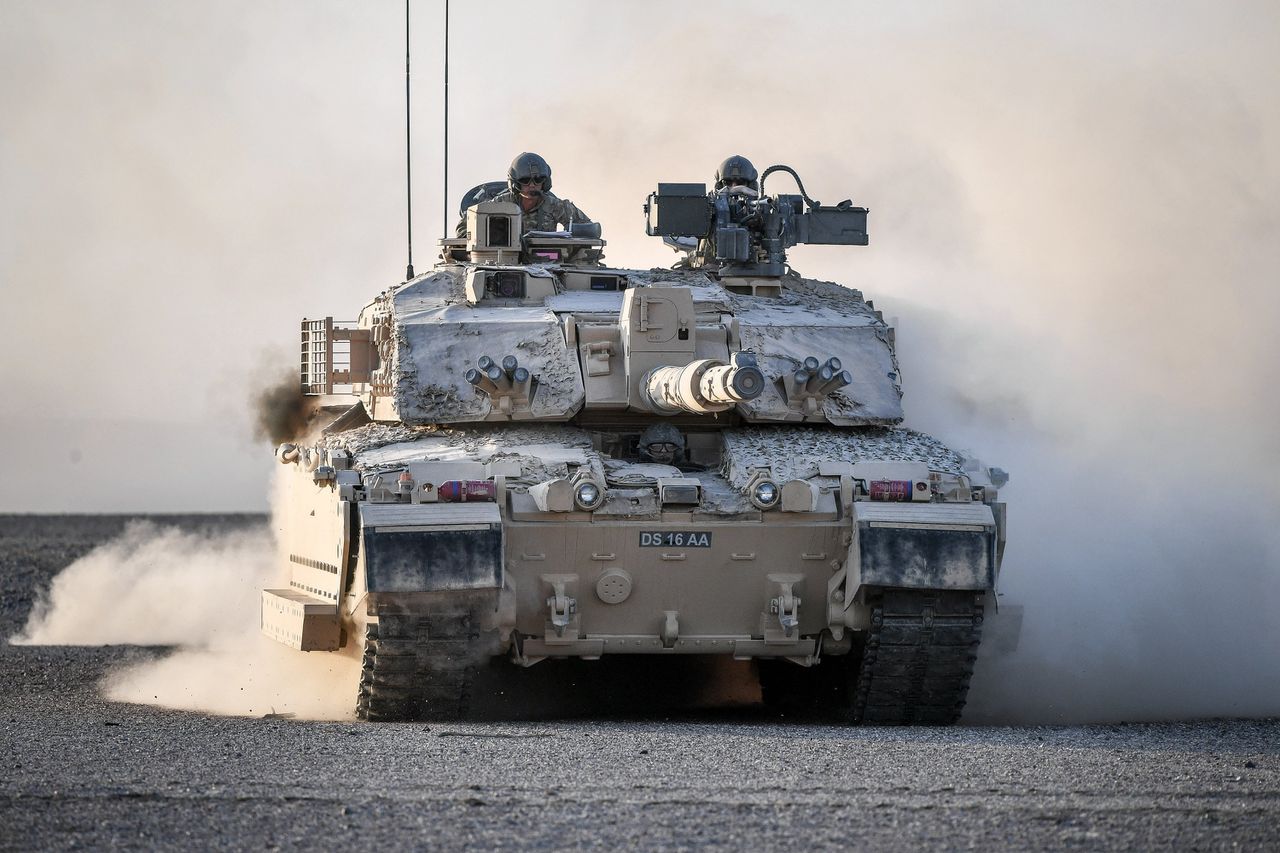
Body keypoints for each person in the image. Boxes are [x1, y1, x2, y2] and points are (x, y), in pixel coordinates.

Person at [456, 152, 595, 238]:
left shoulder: (555, 206)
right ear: (515, 183)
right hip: (504, 263)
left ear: (545, 182)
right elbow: (463, 228)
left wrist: (569, 241)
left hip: (547, 265)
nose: (532, 185)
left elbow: (589, 228)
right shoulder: (500, 205)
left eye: (538, 179)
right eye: (525, 181)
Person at [678, 154, 759, 269]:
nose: (734, 187)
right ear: (720, 184)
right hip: (709, 269)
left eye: (740, 183)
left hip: (751, 271)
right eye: (727, 183)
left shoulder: (760, 209)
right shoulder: (709, 206)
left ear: (750, 185)